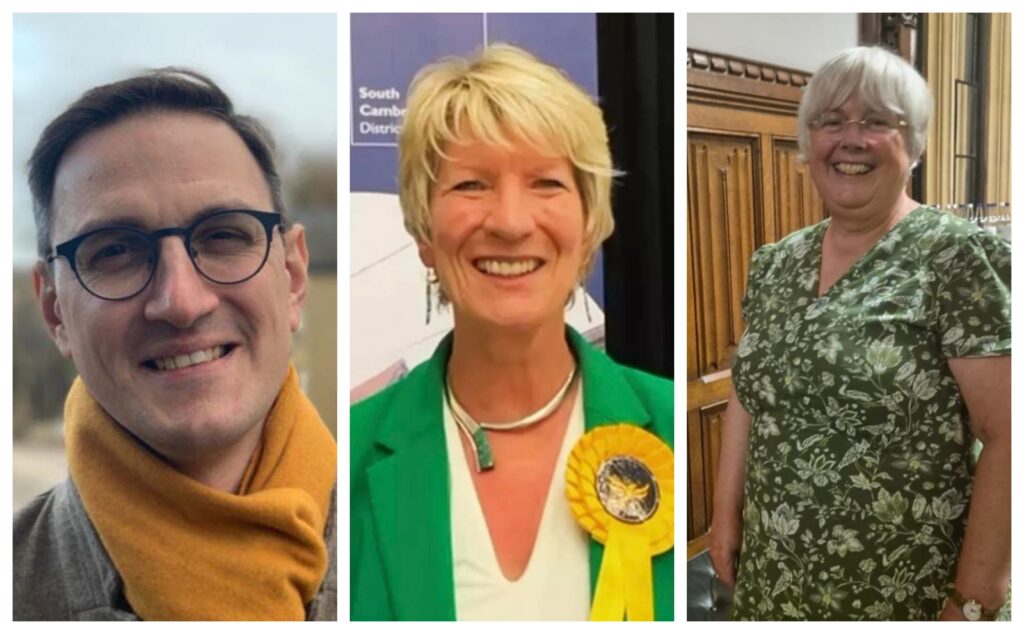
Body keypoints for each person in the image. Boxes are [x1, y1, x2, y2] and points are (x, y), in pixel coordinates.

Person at [350, 44, 674, 621]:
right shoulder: (345, 456)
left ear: (590, 225)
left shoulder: (673, 430)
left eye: (546, 183)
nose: (510, 221)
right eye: (471, 185)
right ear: (425, 233)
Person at [13, 69, 337, 621]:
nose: (182, 302)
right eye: (114, 251)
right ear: (54, 311)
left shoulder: (410, 530)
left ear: (293, 276)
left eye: (224, 235)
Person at [708, 46, 1010, 621]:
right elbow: (749, 396)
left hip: (901, 587)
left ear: (913, 143)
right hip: (774, 576)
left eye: (876, 121)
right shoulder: (774, 262)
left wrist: (972, 601)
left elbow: (1007, 435)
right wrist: (724, 521)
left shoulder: (956, 256)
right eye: (831, 121)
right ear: (809, 141)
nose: (851, 138)